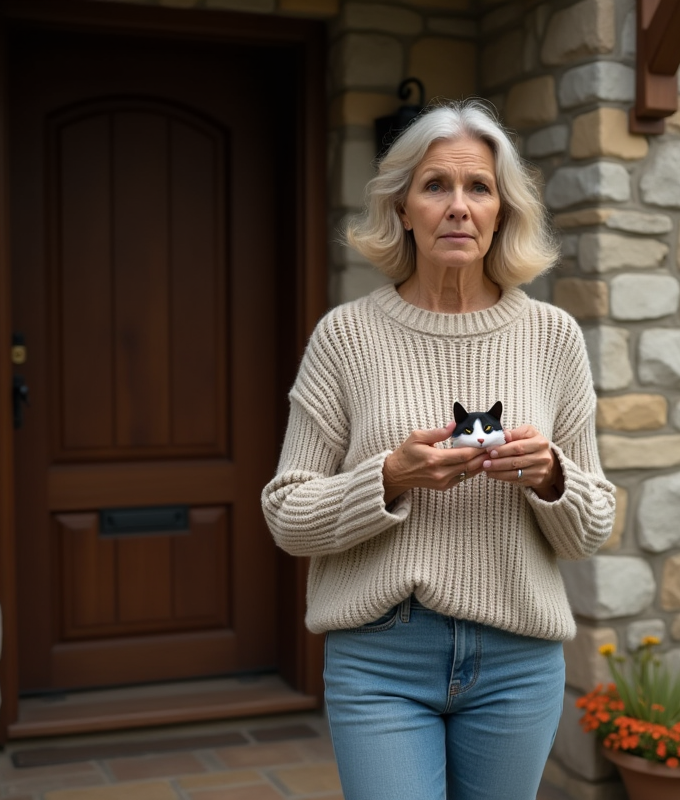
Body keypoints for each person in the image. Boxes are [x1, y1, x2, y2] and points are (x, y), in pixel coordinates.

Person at [261, 99, 615, 800]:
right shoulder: (346, 337)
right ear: (402, 209)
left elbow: (592, 528)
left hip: (519, 658)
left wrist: (551, 477)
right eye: (436, 186)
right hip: (382, 657)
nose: (459, 206)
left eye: (478, 187)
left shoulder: (552, 338)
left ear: (502, 212)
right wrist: (390, 477)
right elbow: (287, 515)